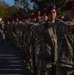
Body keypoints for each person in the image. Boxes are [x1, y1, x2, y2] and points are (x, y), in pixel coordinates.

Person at [55, 1, 74, 75]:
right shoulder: (59, 22)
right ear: (66, 11)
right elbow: (67, 28)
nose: (73, 11)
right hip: (65, 65)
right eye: (71, 9)